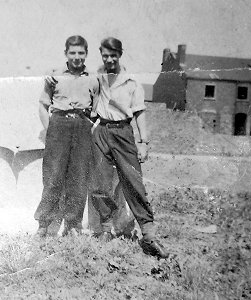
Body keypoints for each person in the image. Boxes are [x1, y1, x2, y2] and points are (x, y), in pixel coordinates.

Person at [90, 37, 169, 258]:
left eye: (113, 55)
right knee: (100, 183)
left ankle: (148, 234)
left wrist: (144, 142)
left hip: (124, 133)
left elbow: (140, 112)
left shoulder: (132, 82)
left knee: (133, 182)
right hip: (102, 132)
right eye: (105, 55)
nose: (109, 59)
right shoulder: (98, 77)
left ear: (120, 54)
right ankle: (105, 229)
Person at [34, 35, 99, 237]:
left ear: (86, 54)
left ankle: (73, 226)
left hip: (82, 125)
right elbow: (43, 105)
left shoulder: (93, 78)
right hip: (59, 124)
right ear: (66, 54)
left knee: (78, 177)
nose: (77, 57)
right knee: (53, 176)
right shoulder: (54, 76)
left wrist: (89, 127)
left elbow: (96, 111)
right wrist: (49, 129)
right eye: (73, 52)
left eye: (81, 53)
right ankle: (44, 224)